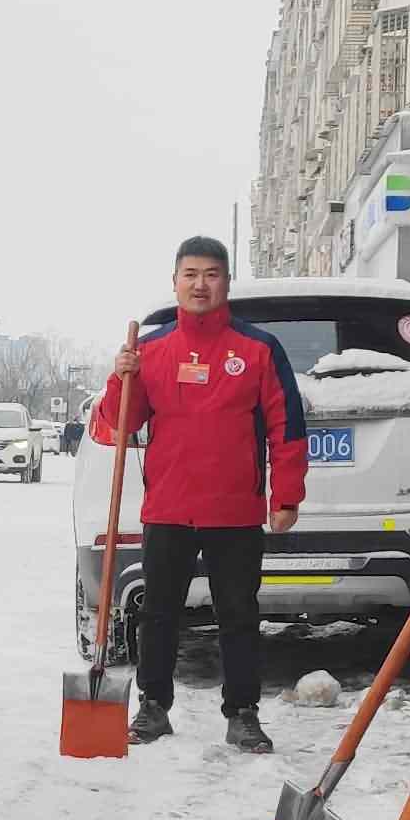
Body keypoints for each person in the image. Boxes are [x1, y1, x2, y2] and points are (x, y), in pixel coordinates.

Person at [86, 234, 305, 749]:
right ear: (175, 282)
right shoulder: (151, 349)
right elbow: (119, 423)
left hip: (234, 509)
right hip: (169, 505)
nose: (200, 284)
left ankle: (243, 712)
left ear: (226, 282)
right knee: (159, 613)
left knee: (239, 614)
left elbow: (287, 426)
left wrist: (286, 496)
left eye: (211, 274)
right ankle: (153, 707)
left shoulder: (257, 349)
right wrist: (122, 379)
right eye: (191, 275)